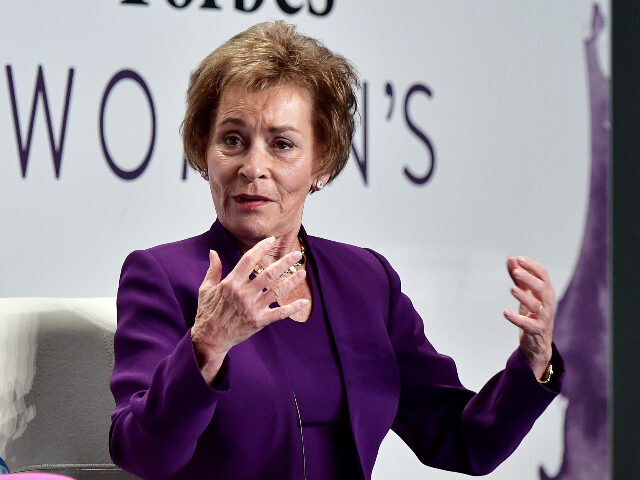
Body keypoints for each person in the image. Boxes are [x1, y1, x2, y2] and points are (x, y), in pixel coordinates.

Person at [109, 21, 563, 480]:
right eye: (232, 140)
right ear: (204, 152)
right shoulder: (165, 277)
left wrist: (534, 361)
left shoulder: (367, 281)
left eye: (282, 144)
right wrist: (206, 346)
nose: (253, 168)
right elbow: (141, 453)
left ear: (321, 163)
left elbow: (463, 441)